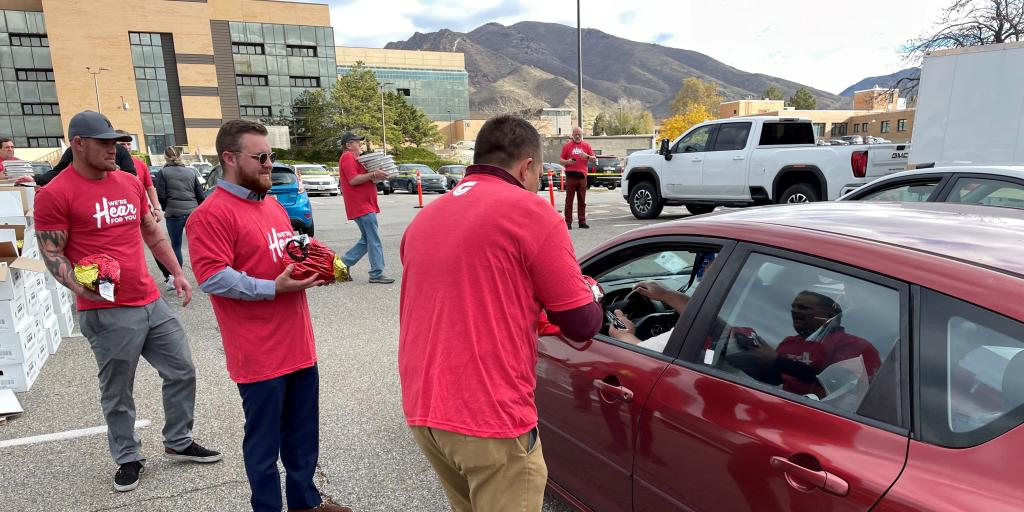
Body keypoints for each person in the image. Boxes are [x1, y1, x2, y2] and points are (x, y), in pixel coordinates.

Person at [399, 115, 602, 512]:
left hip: (425, 410)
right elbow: (582, 323)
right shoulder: (530, 213)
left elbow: (473, 298)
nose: (539, 183)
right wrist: (591, 292)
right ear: (527, 166)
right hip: (488, 418)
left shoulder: (425, 219)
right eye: (540, 174)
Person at [33, 111, 221, 493]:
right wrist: (81, 290)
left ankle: (178, 440)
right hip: (106, 310)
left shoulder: (129, 181)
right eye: (104, 142)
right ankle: (128, 456)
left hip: (150, 299)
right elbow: (53, 252)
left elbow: (151, 231)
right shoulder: (55, 193)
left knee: (182, 370)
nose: (114, 148)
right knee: (119, 390)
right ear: (78, 144)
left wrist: (176, 272)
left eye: (117, 142)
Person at [186, 120, 350, 512]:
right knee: (263, 446)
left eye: (271, 156)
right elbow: (212, 276)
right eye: (260, 157)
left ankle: (305, 503)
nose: (268, 165)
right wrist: (273, 288)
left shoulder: (271, 204)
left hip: (298, 344)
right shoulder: (211, 215)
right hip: (259, 354)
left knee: (302, 436)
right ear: (229, 158)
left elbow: (288, 253)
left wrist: (316, 268)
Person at [742, 290, 882, 398]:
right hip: (783, 405)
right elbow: (774, 379)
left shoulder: (855, 346)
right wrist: (746, 357)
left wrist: (777, 360)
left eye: (803, 307)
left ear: (828, 316)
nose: (795, 310)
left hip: (827, 418)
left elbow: (835, 383)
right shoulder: (789, 342)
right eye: (793, 306)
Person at [337, 131, 394, 284]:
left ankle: (342, 264)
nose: (360, 144)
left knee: (368, 239)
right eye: (357, 141)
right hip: (361, 206)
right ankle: (376, 273)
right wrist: (373, 174)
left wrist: (376, 176)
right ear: (348, 145)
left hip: (364, 206)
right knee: (373, 239)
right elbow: (353, 180)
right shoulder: (348, 157)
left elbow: (362, 179)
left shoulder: (355, 159)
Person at [155, 146, 205, 291]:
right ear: (180, 156)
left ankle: (178, 278)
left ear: (165, 157)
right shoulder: (190, 172)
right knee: (196, 245)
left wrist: (166, 207)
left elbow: (161, 195)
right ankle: (204, 277)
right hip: (192, 212)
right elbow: (200, 194)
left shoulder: (163, 173)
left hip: (174, 213)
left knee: (176, 246)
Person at [36, 142, 136, 185]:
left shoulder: (120, 150)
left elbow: (131, 175)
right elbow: (59, 171)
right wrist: (36, 179)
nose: (112, 151)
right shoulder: (72, 151)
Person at [559, 126, 596, 229]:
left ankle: (582, 221)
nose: (577, 136)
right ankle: (568, 222)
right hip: (570, 176)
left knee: (582, 200)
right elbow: (561, 160)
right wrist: (568, 162)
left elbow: (594, 160)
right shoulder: (567, 146)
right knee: (569, 200)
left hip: (582, 176)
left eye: (579, 134)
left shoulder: (586, 146)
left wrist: (587, 156)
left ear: (582, 134)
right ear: (572, 135)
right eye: (575, 134)